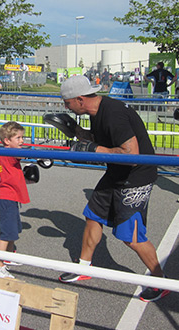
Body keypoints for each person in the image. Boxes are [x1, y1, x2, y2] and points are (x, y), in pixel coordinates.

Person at [58, 75, 168, 303]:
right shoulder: (96, 112)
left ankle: (160, 282)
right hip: (116, 172)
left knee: (132, 237)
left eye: (67, 103)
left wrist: (91, 148)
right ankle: (84, 268)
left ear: (79, 99)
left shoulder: (113, 114)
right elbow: (104, 142)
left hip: (136, 176)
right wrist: (75, 131)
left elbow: (131, 155)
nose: (65, 106)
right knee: (93, 216)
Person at [0, 121, 30, 278]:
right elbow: (22, 154)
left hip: (12, 196)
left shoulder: (10, 152)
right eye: (18, 138)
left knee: (14, 228)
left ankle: (9, 256)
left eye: (22, 137)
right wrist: (44, 156)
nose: (22, 141)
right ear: (7, 141)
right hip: (6, 197)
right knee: (7, 233)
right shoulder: (9, 152)